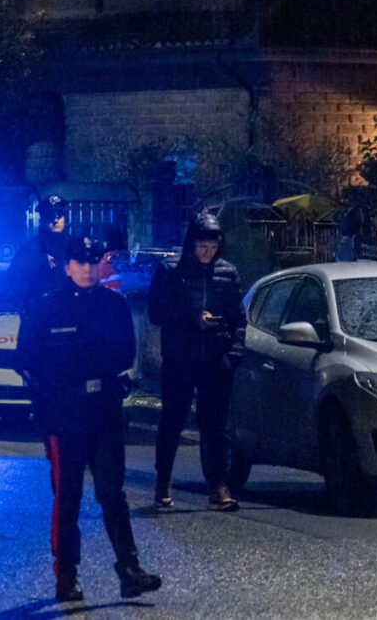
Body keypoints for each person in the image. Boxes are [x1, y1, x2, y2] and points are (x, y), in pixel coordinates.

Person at [17, 235, 162, 603]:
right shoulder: (46, 306)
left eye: (93, 261)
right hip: (64, 412)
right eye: (81, 262)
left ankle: (129, 568)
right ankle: (66, 575)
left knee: (113, 493)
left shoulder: (114, 305)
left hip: (104, 410)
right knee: (68, 497)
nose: (88, 268)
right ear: (68, 266)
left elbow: (125, 354)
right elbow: (27, 360)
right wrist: (47, 404)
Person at [148, 212, 245, 512]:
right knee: (172, 421)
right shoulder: (170, 270)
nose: (207, 253)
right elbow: (156, 312)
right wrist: (192, 320)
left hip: (215, 360)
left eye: (212, 247)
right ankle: (163, 480)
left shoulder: (227, 273)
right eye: (203, 246)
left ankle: (218, 485)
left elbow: (238, 318)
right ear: (192, 243)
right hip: (180, 359)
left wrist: (233, 355)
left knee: (216, 426)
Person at [7, 194, 69, 308]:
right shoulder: (29, 251)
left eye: (59, 215)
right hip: (41, 310)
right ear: (41, 220)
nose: (55, 220)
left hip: (70, 311)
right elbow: (13, 282)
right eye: (49, 215)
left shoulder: (74, 248)